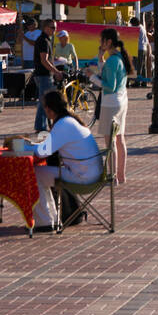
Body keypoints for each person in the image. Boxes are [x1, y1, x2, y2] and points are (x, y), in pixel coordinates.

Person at [29, 91, 104, 232]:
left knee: (33, 174)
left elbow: (41, 152)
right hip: (92, 172)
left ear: (49, 109)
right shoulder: (70, 121)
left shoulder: (63, 124)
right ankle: (50, 217)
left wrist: (29, 145)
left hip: (84, 177)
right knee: (41, 173)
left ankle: (45, 221)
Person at [85, 28, 129, 185]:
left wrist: (92, 77)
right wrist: (100, 58)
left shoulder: (112, 60)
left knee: (110, 142)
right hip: (122, 100)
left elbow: (109, 85)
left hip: (110, 103)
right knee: (119, 138)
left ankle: (113, 176)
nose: (100, 42)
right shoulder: (118, 57)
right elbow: (108, 72)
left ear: (108, 42)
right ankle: (121, 175)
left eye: (101, 40)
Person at [32, 19, 62, 131]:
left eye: (55, 27)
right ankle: (40, 126)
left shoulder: (45, 40)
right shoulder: (43, 41)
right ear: (45, 28)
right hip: (43, 75)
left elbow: (46, 59)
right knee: (45, 101)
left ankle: (41, 125)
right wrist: (56, 71)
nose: (55, 30)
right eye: (52, 27)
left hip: (42, 74)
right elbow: (44, 60)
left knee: (44, 101)